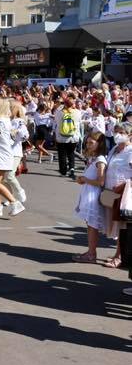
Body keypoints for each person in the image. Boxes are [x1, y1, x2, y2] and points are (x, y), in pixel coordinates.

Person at [72, 132, 108, 263]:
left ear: (99, 144)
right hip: (88, 192)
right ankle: (90, 251)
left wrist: (85, 179)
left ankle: (92, 254)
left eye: (91, 143)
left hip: (94, 195)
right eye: (87, 142)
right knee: (90, 224)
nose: (88, 145)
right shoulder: (94, 158)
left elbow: (101, 181)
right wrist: (83, 180)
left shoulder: (100, 160)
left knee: (92, 224)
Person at [100, 122, 132, 269]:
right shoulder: (114, 148)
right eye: (116, 131)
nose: (117, 134)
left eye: (121, 132)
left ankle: (119, 257)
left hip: (123, 193)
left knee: (121, 225)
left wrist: (123, 185)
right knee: (113, 225)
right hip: (110, 192)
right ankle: (117, 254)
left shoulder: (130, 151)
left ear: (129, 135)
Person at [54, 95, 81, 177]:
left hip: (62, 137)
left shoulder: (59, 112)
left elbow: (57, 121)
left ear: (65, 104)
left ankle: (63, 171)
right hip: (73, 137)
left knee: (62, 154)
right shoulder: (77, 112)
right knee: (71, 153)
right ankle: (72, 168)